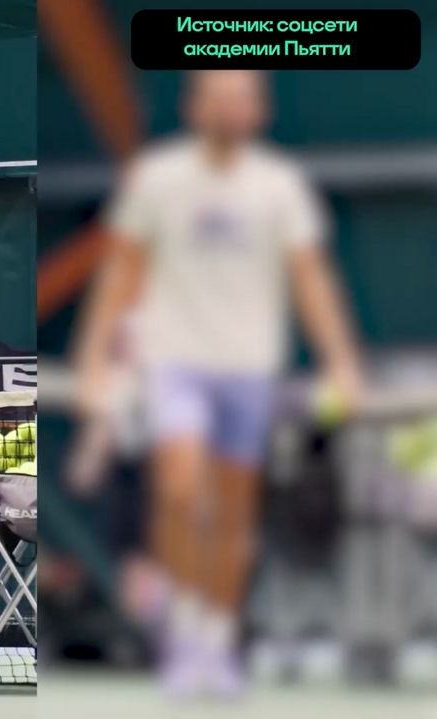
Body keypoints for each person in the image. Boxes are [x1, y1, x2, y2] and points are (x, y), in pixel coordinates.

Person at [75, 70, 362, 700]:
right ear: (195, 107)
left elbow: (310, 278)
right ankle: (183, 632)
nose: (230, 108)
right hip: (173, 361)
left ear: (259, 111)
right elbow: (121, 271)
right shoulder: (157, 178)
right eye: (219, 98)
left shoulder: (280, 185)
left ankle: (216, 636)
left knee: (233, 514)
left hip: (250, 367)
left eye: (242, 99)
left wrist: (342, 362)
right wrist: (94, 360)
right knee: (179, 490)